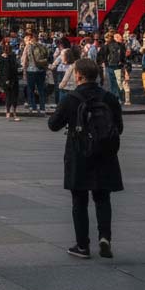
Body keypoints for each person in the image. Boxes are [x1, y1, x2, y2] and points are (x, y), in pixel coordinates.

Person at [47, 56, 124, 259]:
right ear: (96, 76)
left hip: (78, 152)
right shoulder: (108, 98)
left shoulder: (72, 98)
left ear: (78, 75)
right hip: (105, 153)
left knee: (79, 200)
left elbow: (53, 125)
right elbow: (119, 128)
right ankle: (105, 237)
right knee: (102, 197)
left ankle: (82, 246)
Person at [21, 33, 48, 115]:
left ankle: (33, 107)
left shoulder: (28, 47)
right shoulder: (42, 45)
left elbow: (24, 60)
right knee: (41, 89)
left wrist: (24, 70)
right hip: (41, 70)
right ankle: (42, 108)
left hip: (31, 70)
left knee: (31, 89)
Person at [0, 39, 21, 120]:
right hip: (10, 79)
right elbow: (5, 69)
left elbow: (5, 69)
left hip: (10, 79)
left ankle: (11, 112)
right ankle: (10, 112)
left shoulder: (10, 57)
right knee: (11, 96)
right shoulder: (5, 58)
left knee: (11, 96)